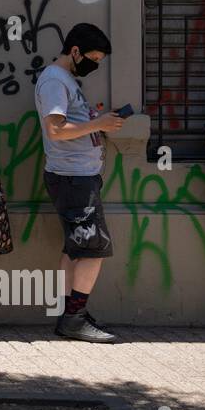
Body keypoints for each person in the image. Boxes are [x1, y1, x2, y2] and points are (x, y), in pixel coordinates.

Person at [34, 23, 123, 343]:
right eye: (93, 58)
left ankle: (70, 312)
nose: (95, 64)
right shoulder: (55, 81)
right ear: (74, 51)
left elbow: (67, 124)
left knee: (77, 248)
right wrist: (97, 123)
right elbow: (56, 129)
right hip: (73, 177)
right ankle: (74, 318)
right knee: (92, 247)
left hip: (77, 176)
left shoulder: (64, 80)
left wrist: (92, 121)